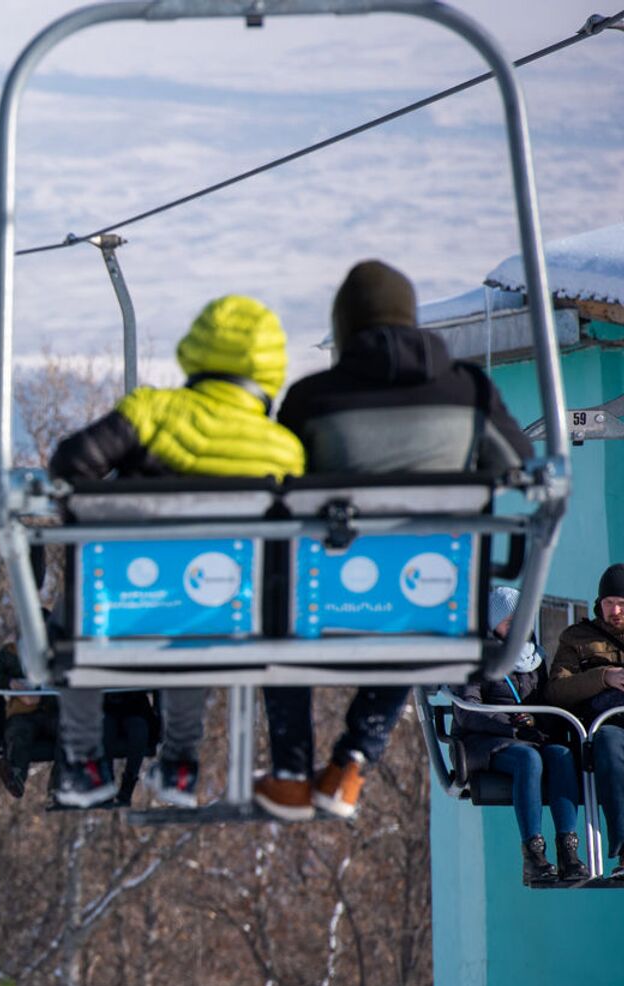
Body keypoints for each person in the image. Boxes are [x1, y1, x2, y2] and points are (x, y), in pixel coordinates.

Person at [253, 261, 531, 821]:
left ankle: (289, 773)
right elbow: (518, 463)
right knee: (411, 611)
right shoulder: (468, 389)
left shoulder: (312, 397)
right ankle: (352, 761)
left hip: (323, 594)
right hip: (431, 596)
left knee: (277, 627)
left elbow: (283, 479)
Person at [49, 294, 304, 807]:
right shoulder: (283, 448)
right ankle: (181, 763)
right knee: (195, 617)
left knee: (70, 624)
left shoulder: (153, 413)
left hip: (120, 608)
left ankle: (83, 761)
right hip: (230, 615)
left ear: (196, 348)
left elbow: (70, 466)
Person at [453, 586, 586, 885]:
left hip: (529, 736)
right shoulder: (476, 659)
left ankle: (569, 850)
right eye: (508, 622)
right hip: (488, 741)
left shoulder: (534, 659)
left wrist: (540, 723)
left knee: (561, 755)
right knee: (529, 760)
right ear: (493, 624)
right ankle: (534, 854)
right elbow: (467, 710)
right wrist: (510, 725)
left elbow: (548, 701)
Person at [0, 636, 155, 806]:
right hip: (23, 714)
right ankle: (16, 774)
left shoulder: (65, 653)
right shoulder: (11, 655)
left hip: (56, 713)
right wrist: (9, 683)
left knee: (68, 731)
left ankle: (59, 786)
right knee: (19, 733)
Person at [543, 562, 624, 881]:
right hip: (604, 726)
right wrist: (603, 677)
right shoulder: (577, 638)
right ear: (599, 604)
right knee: (609, 746)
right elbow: (557, 691)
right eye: (609, 603)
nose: (615, 610)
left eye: (621, 603)